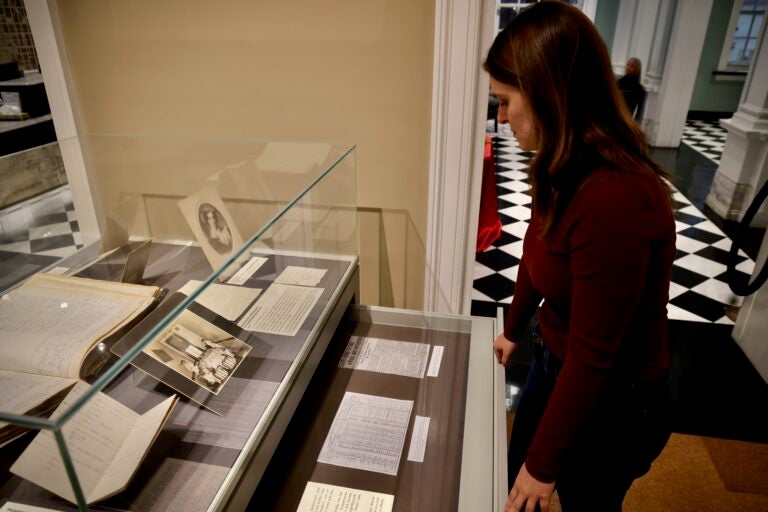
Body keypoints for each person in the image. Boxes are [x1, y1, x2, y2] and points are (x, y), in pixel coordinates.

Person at [483, 3, 675, 511]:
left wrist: (544, 467)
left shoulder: (615, 195)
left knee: (580, 497)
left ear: (549, 93)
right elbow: (535, 249)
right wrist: (514, 327)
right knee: (513, 482)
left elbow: (596, 353)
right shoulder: (560, 163)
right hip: (556, 359)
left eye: (505, 101)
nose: (501, 117)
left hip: (619, 397)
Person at [618, 57, 646, 121]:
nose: (628, 67)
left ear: (637, 69)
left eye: (632, 66)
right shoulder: (618, 83)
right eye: (628, 64)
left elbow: (639, 113)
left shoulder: (639, 89)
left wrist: (635, 125)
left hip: (626, 120)